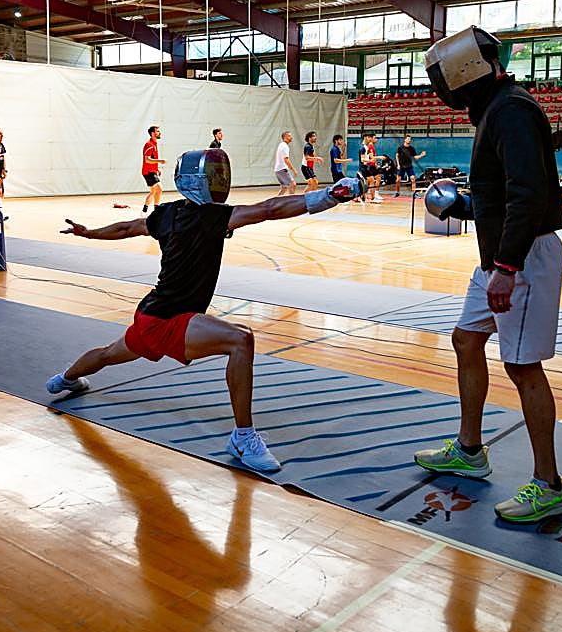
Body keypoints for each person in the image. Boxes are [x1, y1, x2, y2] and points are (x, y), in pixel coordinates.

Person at [47, 149, 364, 473]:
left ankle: (65, 379)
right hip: (168, 320)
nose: (219, 181)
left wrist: (88, 232)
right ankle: (243, 437)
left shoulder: (166, 213)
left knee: (107, 354)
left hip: (151, 314)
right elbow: (269, 209)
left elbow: (129, 227)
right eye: (213, 176)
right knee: (241, 341)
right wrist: (328, 196)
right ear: (198, 181)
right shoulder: (213, 217)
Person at [414, 25, 562, 525]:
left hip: (521, 257)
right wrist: (465, 203)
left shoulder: (512, 111)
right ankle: (469, 449)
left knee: (523, 368)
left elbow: (529, 193)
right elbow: (504, 191)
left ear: (464, 76)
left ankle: (549, 485)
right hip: (500, 255)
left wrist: (506, 268)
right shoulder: (498, 108)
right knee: (465, 339)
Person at [142, 125, 165, 213]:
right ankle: (157, 211)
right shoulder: (149, 145)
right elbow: (147, 160)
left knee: (153, 192)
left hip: (152, 171)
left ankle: (144, 210)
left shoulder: (154, 144)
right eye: (157, 131)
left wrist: (157, 168)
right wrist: (161, 161)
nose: (160, 132)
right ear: (152, 133)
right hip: (148, 172)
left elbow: (152, 159)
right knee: (159, 188)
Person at [359, 134, 383, 203]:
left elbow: (371, 156)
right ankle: (371, 198)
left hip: (366, 167)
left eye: (370, 137)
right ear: (365, 138)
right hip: (363, 167)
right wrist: (370, 161)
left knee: (368, 182)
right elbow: (362, 159)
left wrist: (378, 158)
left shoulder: (366, 147)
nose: (370, 139)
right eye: (368, 137)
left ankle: (362, 197)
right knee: (371, 181)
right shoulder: (362, 148)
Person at [274, 131, 298, 196]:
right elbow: (286, 159)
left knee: (284, 188)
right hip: (282, 169)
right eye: (289, 136)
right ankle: (291, 202)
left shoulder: (281, 145)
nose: (291, 137)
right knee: (293, 184)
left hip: (278, 170)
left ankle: (276, 202)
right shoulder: (285, 146)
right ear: (285, 137)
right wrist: (293, 170)